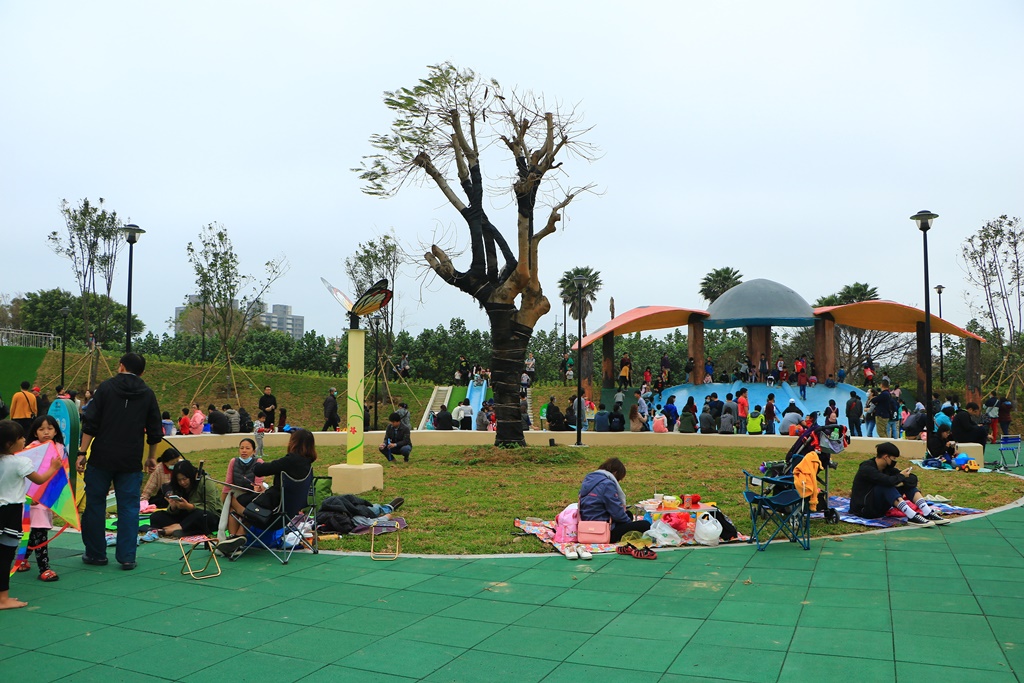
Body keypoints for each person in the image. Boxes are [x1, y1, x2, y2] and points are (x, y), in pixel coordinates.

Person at [77, 353, 162, 570]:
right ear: (142, 372)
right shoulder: (147, 394)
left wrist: (82, 452)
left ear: (121, 366)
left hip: (102, 456)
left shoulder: (106, 388)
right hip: (131, 458)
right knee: (129, 508)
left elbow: (91, 422)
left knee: (95, 505)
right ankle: (127, 557)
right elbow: (154, 430)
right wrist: (151, 456)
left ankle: (96, 554)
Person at [0, 420, 63, 609]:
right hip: (10, 513)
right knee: (5, 556)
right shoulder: (20, 462)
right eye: (20, 438)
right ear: (10, 444)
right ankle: (3, 599)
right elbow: (39, 479)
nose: (24, 440)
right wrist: (54, 467)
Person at [15, 416, 69, 582]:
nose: (46, 432)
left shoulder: (60, 448)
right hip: (33, 499)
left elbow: (63, 475)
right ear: (35, 432)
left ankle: (23, 559)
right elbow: (25, 476)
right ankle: (44, 568)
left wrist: (57, 500)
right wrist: (32, 496)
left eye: (50, 428)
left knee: (37, 531)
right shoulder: (31, 449)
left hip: (48, 498)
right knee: (39, 531)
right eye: (41, 429)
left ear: (56, 430)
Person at [849, 442, 948, 527]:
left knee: (906, 484)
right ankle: (911, 516)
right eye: (893, 458)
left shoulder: (888, 469)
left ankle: (927, 512)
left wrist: (904, 479)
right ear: (886, 457)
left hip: (879, 508)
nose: (894, 462)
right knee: (885, 485)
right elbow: (886, 481)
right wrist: (901, 477)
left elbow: (912, 479)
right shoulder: (866, 468)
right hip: (864, 509)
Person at [578, 458, 650, 544]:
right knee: (645, 524)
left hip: (585, 526)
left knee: (628, 514)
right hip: (602, 531)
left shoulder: (589, 480)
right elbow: (616, 512)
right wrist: (628, 523)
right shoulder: (607, 484)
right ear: (615, 473)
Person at [149, 460, 222, 538]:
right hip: (186, 517)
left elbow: (211, 507)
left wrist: (190, 506)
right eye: (179, 480)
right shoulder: (177, 486)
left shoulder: (205, 482)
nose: (182, 482)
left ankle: (175, 528)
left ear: (191, 476)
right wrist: (173, 507)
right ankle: (183, 528)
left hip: (207, 515)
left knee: (199, 515)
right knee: (156, 516)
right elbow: (175, 512)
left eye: (184, 479)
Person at [217, 438, 265, 551]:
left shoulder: (259, 463)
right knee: (231, 505)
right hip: (237, 494)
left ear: (253, 451)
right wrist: (224, 499)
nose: (244, 451)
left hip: (251, 496)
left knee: (237, 505)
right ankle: (234, 538)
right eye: (241, 448)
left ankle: (237, 537)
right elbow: (228, 483)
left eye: (247, 448)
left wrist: (257, 487)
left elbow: (258, 484)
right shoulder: (233, 461)